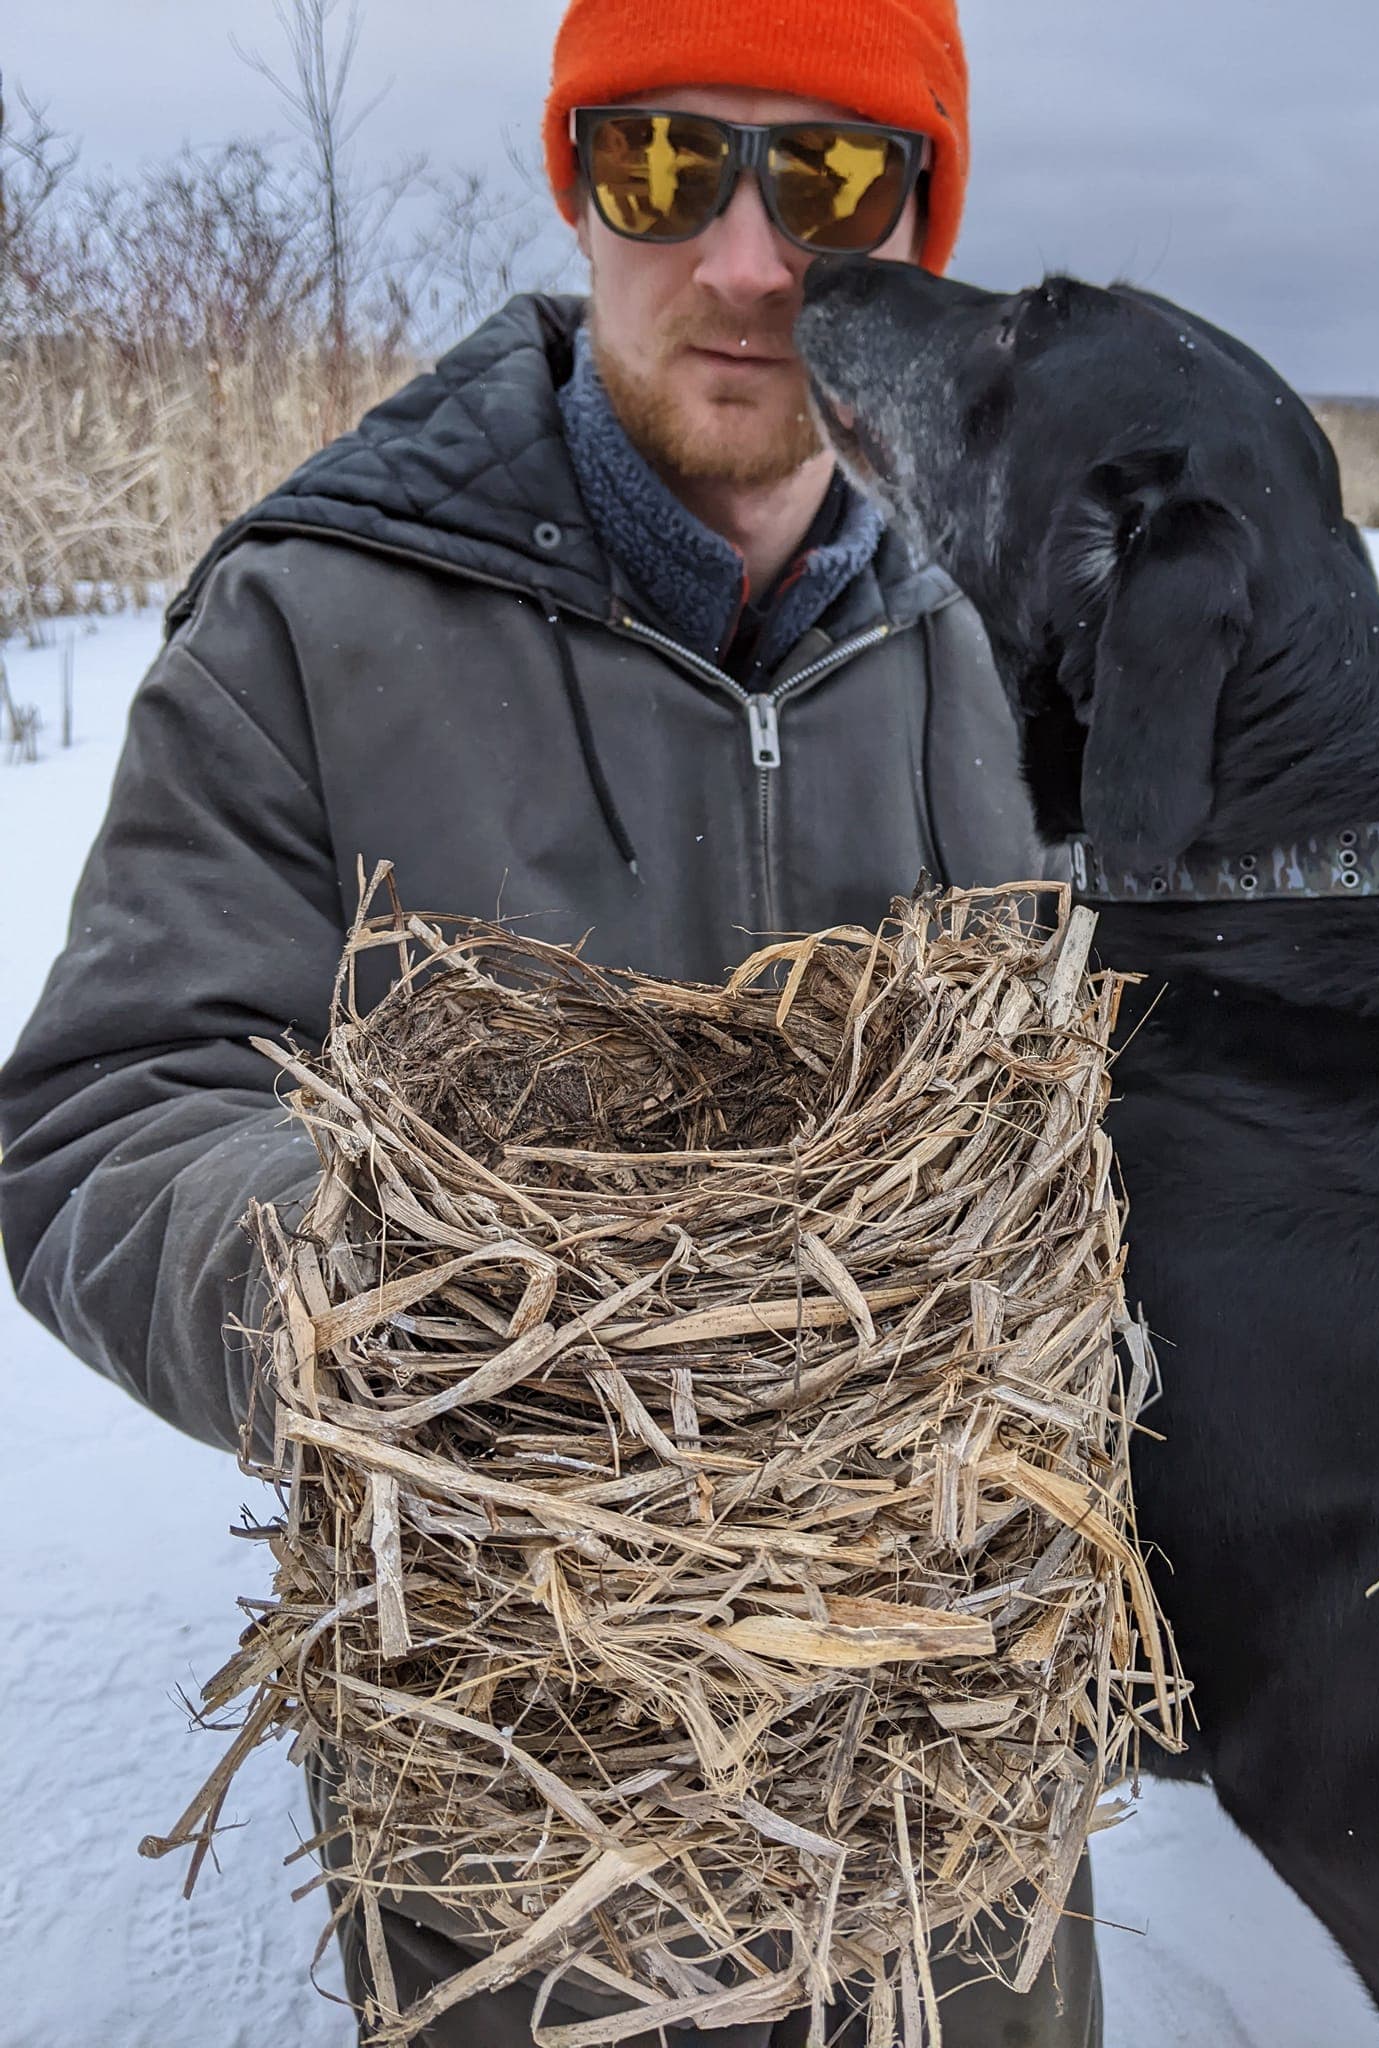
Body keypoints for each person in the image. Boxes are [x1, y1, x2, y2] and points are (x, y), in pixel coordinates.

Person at [0, 1, 1094, 2040]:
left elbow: (1123, 1111)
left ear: (927, 224)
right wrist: (420, 1320)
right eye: (669, 165)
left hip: (959, 1864)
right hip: (528, 1873)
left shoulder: (1004, 637)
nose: (754, 261)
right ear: (574, 180)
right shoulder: (314, 620)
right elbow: (102, 1118)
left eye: (838, 179)